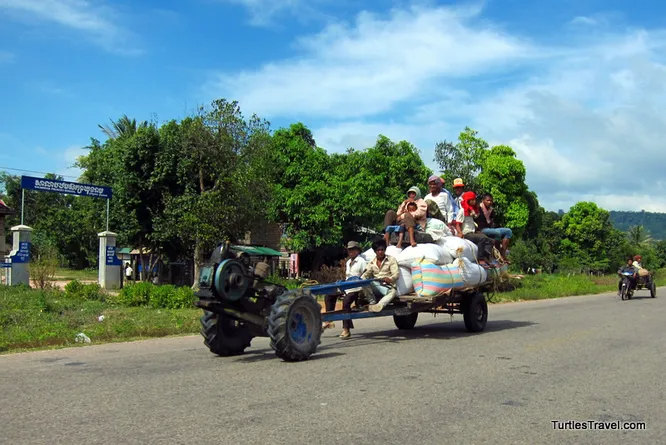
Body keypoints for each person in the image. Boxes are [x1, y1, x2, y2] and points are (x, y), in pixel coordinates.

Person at [323, 241, 367, 339]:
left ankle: (346, 329)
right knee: (329, 295)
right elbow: (347, 276)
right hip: (346, 286)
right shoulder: (348, 262)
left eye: (352, 250)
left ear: (357, 251)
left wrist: (359, 283)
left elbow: (366, 275)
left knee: (346, 302)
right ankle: (329, 320)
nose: (350, 252)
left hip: (357, 288)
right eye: (349, 250)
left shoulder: (361, 262)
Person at [454, 191, 494, 262]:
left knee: (490, 240)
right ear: (468, 200)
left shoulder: (472, 211)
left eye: (474, 199)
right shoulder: (462, 211)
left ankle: (487, 258)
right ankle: (480, 259)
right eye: (472, 200)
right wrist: (460, 233)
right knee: (482, 238)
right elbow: (457, 224)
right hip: (467, 234)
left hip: (473, 232)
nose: (474, 201)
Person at [361, 239, 400, 312]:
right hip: (376, 285)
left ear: (385, 250)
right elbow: (365, 274)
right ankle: (372, 302)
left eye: (382, 250)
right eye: (378, 250)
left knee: (393, 292)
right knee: (363, 281)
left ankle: (379, 305)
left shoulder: (391, 259)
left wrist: (390, 279)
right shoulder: (372, 263)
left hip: (387, 286)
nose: (380, 252)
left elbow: (396, 274)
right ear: (375, 251)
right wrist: (360, 280)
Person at [475, 193, 513, 259]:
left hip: (489, 229)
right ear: (483, 200)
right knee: (497, 233)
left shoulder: (491, 210)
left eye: (491, 201)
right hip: (481, 229)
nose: (490, 202)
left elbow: (492, 222)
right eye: (488, 200)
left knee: (508, 231)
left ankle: (502, 253)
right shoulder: (478, 208)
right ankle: (496, 253)